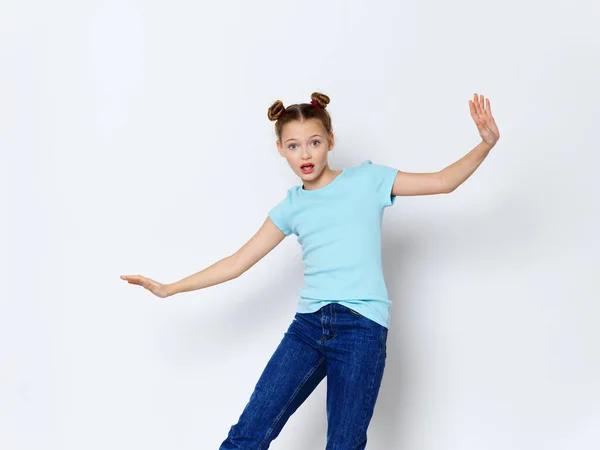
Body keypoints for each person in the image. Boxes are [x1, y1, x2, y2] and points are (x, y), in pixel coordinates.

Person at [120, 91, 500, 449]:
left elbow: (442, 182)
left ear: (330, 141)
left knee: (344, 445)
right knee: (247, 436)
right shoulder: (290, 207)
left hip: (361, 329)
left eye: (314, 142)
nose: (305, 154)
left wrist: (484, 144)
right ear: (281, 150)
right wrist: (170, 288)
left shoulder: (367, 180)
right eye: (293, 145)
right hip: (307, 328)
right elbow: (237, 263)